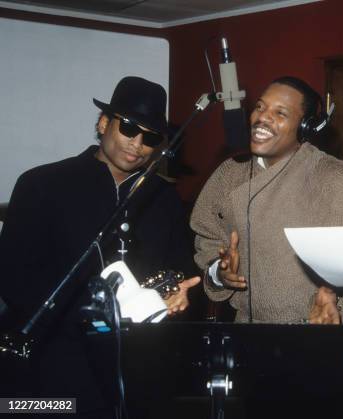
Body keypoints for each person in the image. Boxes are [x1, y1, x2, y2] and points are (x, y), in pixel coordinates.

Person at [0, 76, 200, 417]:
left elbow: (180, 266)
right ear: (104, 123)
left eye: (150, 137)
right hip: (50, 367)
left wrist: (178, 291)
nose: (137, 143)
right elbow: (12, 277)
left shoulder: (163, 198)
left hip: (133, 368)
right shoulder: (42, 184)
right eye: (129, 129)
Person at [191, 76, 343, 324]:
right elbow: (208, 239)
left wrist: (339, 306)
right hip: (245, 336)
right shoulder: (230, 173)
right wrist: (219, 272)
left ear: (306, 127)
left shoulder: (337, 179)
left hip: (315, 336)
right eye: (260, 107)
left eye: (280, 113)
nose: (262, 118)